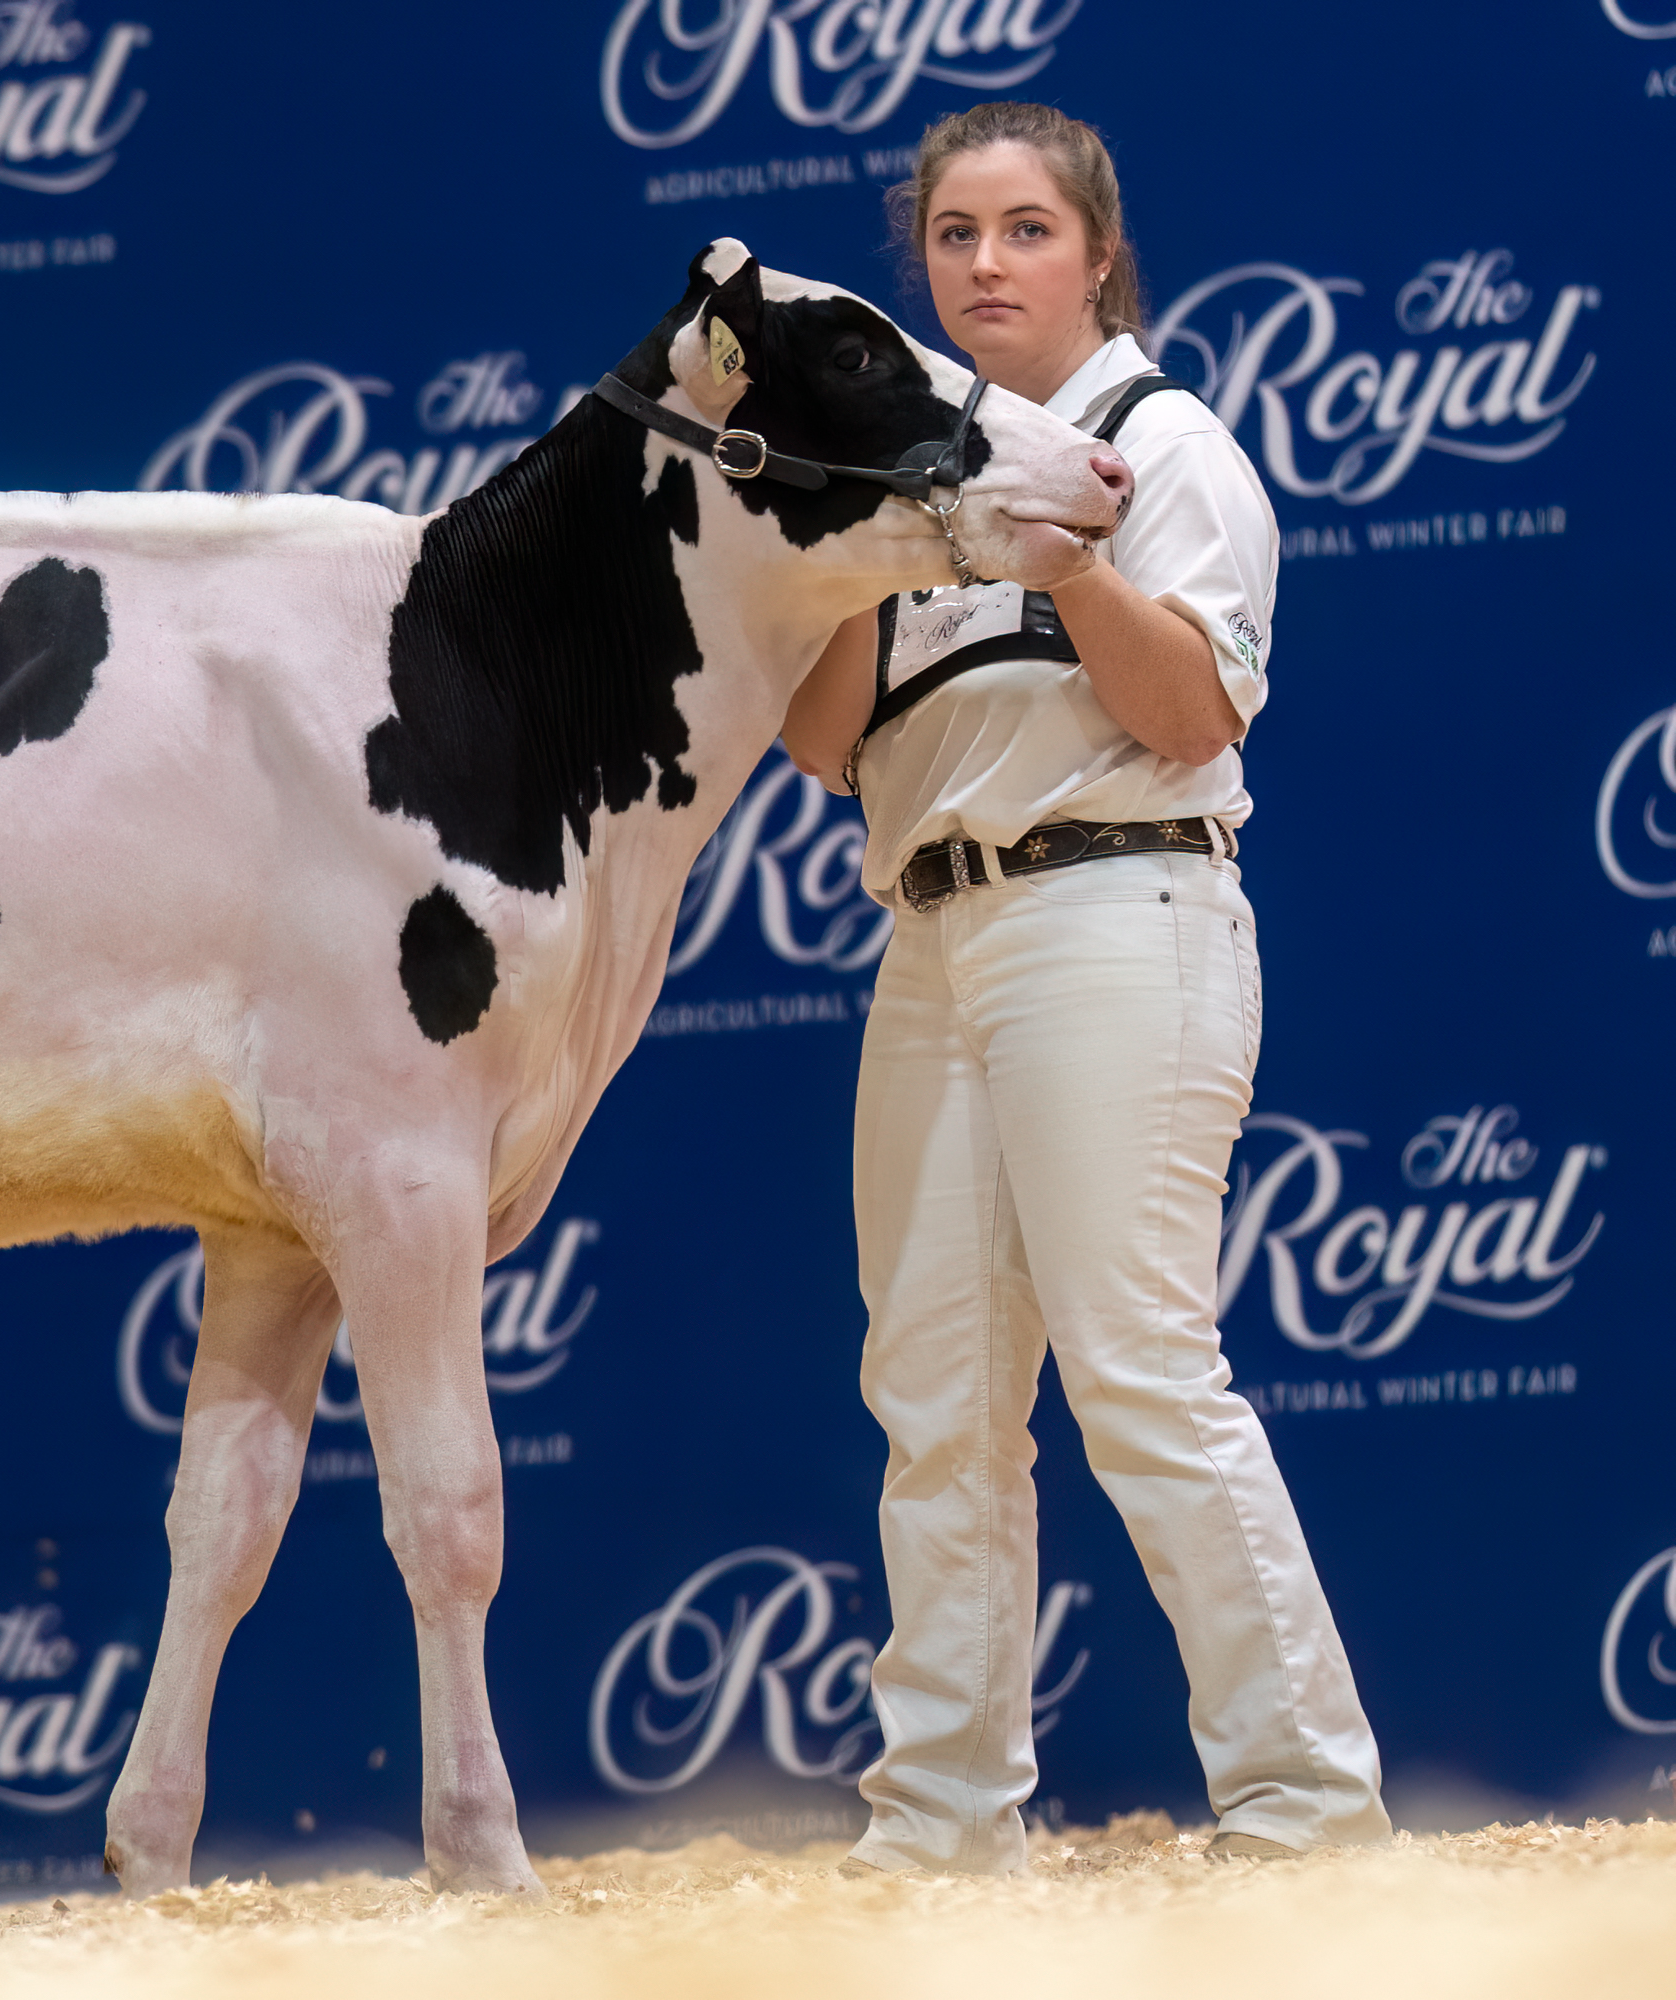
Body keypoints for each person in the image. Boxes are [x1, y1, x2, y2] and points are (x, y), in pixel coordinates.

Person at [776, 101, 1391, 1873]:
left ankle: (1307, 1812)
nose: (987, 263)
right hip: (931, 931)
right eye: (955, 234)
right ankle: (941, 1827)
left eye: (1027, 229)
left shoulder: (1166, 442)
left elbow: (1193, 712)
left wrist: (1079, 564)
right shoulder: (920, 482)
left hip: (1118, 905)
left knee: (1139, 1372)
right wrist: (864, 549)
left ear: (1099, 253)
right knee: (935, 1400)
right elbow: (825, 743)